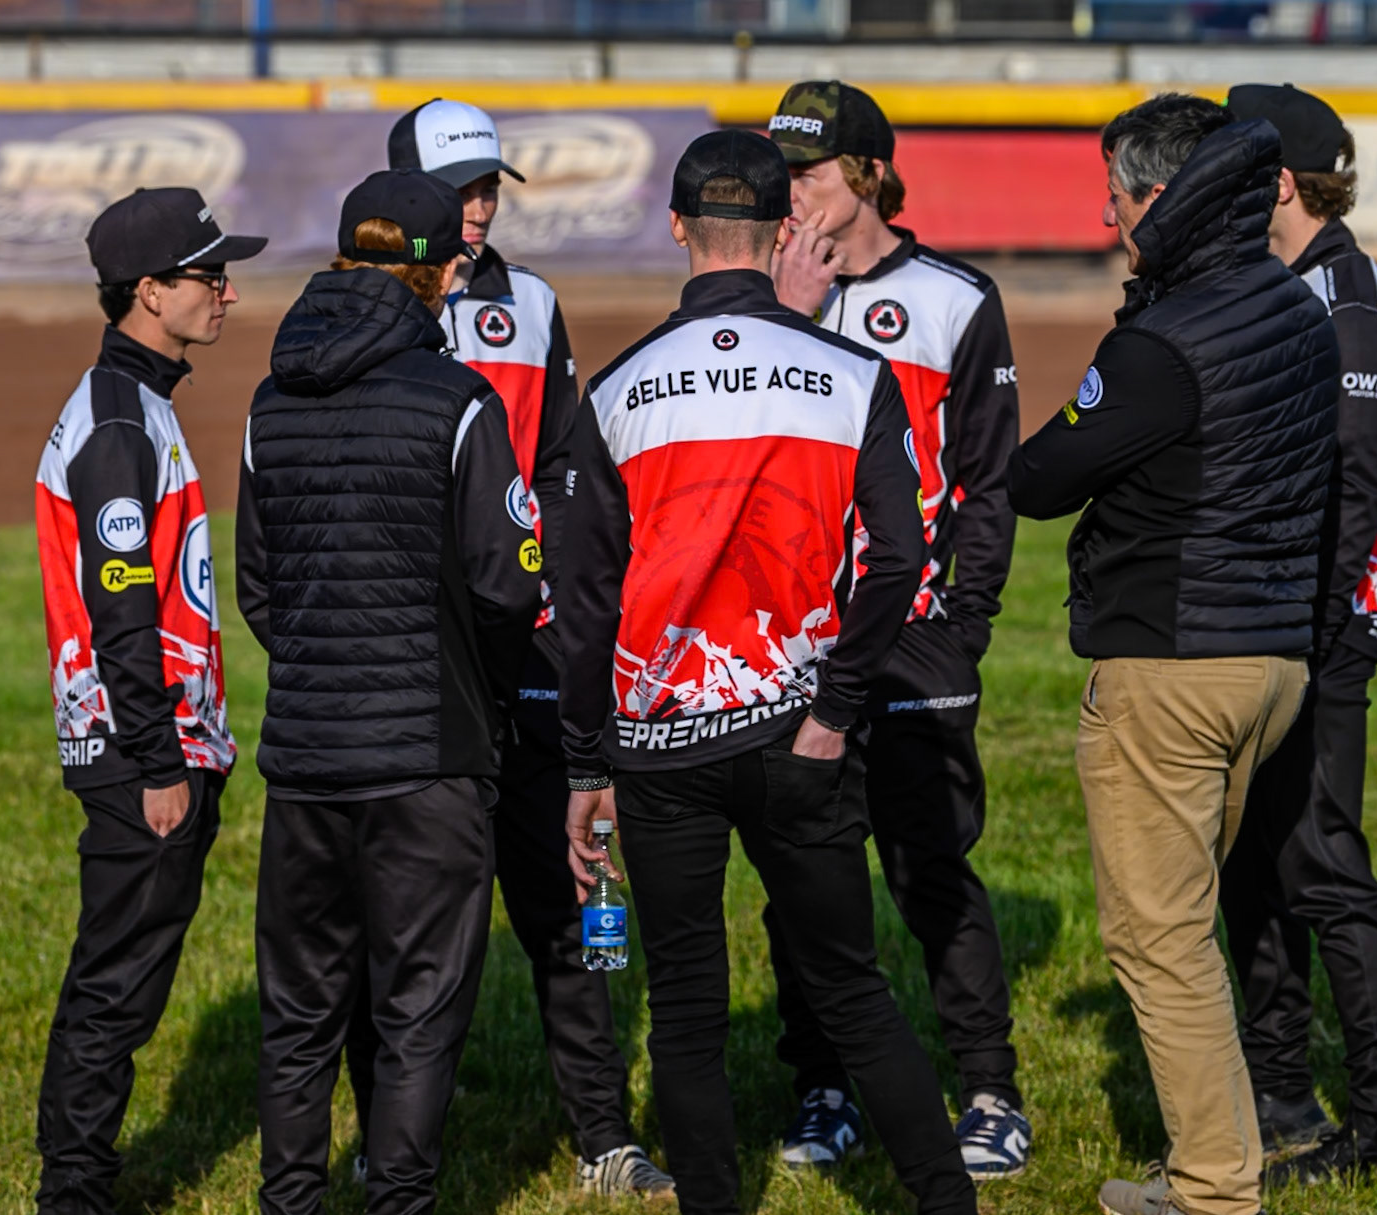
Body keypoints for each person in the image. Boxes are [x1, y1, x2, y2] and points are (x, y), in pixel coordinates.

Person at [556, 128, 978, 1215]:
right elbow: (903, 555)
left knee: (688, 1009)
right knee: (851, 990)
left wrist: (583, 763)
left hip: (659, 752)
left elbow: (585, 603)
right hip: (801, 736)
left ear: (675, 228)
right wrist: (835, 709)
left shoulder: (611, 392)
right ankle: (945, 1199)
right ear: (780, 233)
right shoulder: (850, 375)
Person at [1005, 95, 1339, 1215]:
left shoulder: (1160, 343)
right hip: (1270, 664)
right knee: (1190, 927)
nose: (1107, 222)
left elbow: (1040, 481)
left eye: (1115, 197)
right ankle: (1218, 1161)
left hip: (1170, 666)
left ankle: (1211, 1192)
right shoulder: (1294, 311)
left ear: (1161, 197)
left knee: (1161, 945)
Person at [366, 97, 672, 1198]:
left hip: (529, 654)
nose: (479, 206)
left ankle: (602, 1133)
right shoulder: (364, 306)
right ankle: (393, 1149)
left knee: (568, 899)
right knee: (404, 922)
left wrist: (547, 588)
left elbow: (558, 467)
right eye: (460, 189)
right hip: (413, 664)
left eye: (489, 185)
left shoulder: (534, 304)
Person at [235, 168, 543, 1215]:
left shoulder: (268, 398)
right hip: (428, 763)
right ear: (438, 272)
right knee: (417, 1008)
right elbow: (508, 588)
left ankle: (290, 1200)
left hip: (307, 763)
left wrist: (329, 664)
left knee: (298, 1009)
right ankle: (398, 1197)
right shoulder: (459, 401)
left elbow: (260, 590)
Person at [764, 78, 1030, 1179]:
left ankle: (986, 1088)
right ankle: (821, 1086)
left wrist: (964, 621)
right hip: (796, 647)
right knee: (805, 882)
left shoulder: (955, 299)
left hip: (915, 643)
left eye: (812, 170)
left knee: (930, 871)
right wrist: (780, 314)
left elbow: (989, 480)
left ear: (869, 173)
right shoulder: (774, 294)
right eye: (782, 171)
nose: (793, 191)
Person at [32, 186, 265, 1214]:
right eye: (207, 275)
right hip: (139, 757)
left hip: (150, 745)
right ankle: (73, 1193)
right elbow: (121, 612)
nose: (225, 291)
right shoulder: (118, 423)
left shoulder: (142, 404)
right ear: (147, 291)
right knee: (115, 988)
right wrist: (160, 762)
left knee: (127, 979)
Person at [1217, 82, 1377, 1185]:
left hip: (1324, 631)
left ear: (1281, 184)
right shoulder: (1290, 282)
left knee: (1321, 864)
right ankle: (1278, 1085)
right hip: (1281, 622)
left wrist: (1303, 636)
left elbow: (1350, 493)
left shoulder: (1342, 301)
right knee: (1254, 860)